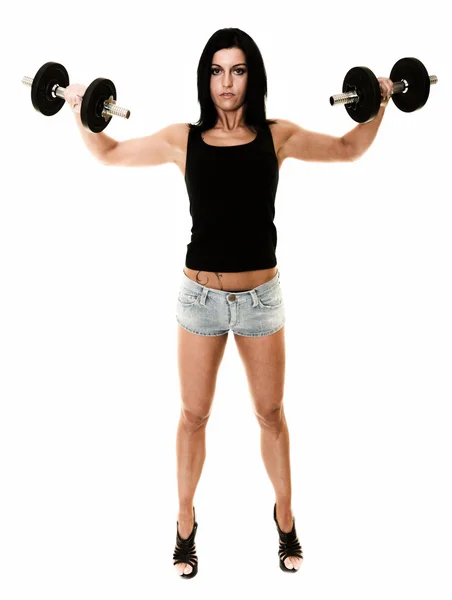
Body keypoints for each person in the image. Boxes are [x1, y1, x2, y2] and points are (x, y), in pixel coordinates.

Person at [66, 28, 394, 578]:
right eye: (217, 71)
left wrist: (380, 102)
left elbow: (348, 147)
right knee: (193, 416)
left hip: (262, 300)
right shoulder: (181, 139)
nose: (226, 82)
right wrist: (79, 111)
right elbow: (109, 151)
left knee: (270, 416)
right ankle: (185, 520)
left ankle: (285, 518)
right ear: (206, 78)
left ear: (252, 76)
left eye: (237, 70)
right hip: (200, 299)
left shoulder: (278, 135)